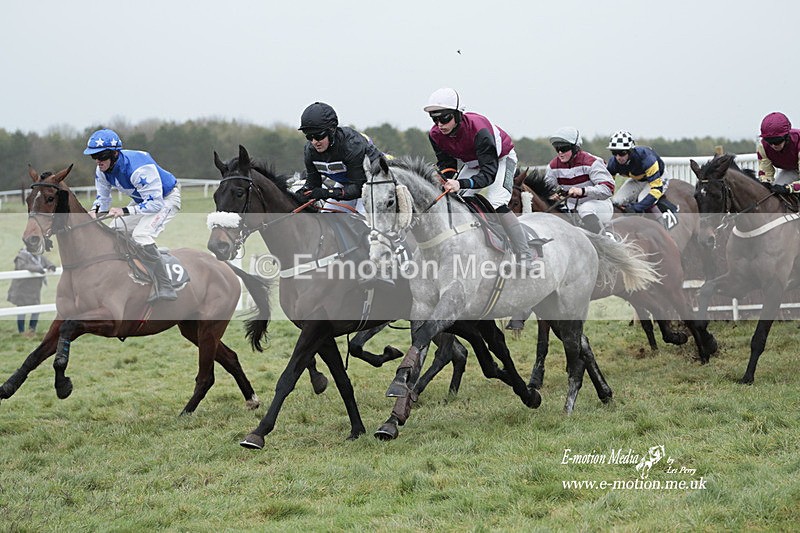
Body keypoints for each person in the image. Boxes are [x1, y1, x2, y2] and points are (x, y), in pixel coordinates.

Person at [424, 87, 541, 269]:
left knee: (496, 202)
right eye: (434, 119)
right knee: (456, 200)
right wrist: (443, 178)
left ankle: (525, 254)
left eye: (444, 118)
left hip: (500, 160)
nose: (439, 124)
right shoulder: (435, 135)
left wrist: (460, 182)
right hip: (473, 163)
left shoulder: (480, 130)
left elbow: (488, 174)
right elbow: (447, 163)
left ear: (458, 114)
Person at [83, 128, 181, 302]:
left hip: (165, 199)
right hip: (143, 201)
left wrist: (124, 210)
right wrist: (94, 213)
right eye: (94, 156)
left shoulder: (139, 169)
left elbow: (156, 204)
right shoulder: (102, 171)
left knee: (141, 235)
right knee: (115, 230)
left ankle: (165, 285)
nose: (98, 161)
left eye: (101, 156)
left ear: (114, 154)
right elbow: (103, 199)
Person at [298, 102, 384, 214]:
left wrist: (328, 192)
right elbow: (313, 184)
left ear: (332, 130)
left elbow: (359, 188)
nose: (314, 142)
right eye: (309, 137)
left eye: (319, 136)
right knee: (327, 217)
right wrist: (300, 194)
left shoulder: (351, 146)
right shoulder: (310, 151)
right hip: (348, 184)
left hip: (372, 184)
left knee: (363, 220)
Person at [544, 126, 615, 233]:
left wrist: (583, 191)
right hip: (571, 206)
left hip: (600, 205)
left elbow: (608, 189)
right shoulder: (552, 167)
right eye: (557, 148)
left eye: (564, 148)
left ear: (575, 148)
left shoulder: (592, 162)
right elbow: (548, 189)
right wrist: (552, 195)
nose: (560, 152)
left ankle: (603, 240)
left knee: (585, 209)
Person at [606, 130, 669, 213]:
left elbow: (657, 189)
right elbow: (607, 186)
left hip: (658, 177)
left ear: (630, 151)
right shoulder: (613, 163)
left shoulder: (647, 159)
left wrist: (637, 207)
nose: (618, 157)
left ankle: (662, 220)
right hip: (638, 179)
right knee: (616, 201)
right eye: (614, 153)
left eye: (622, 153)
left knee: (642, 200)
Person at [7, 248, 56, 337]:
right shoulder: (21, 256)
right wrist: (38, 268)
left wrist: (51, 266)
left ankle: (32, 330)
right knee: (21, 310)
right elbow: (22, 267)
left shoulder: (39, 257)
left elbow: (48, 263)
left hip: (35, 290)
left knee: (36, 310)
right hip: (22, 289)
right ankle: (21, 332)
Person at [756, 112, 800, 194]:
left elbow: (791, 188)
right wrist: (766, 182)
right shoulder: (763, 147)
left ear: (787, 136)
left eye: (777, 141)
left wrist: (789, 188)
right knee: (775, 191)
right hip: (792, 170)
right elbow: (766, 174)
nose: (773, 145)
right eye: (769, 141)